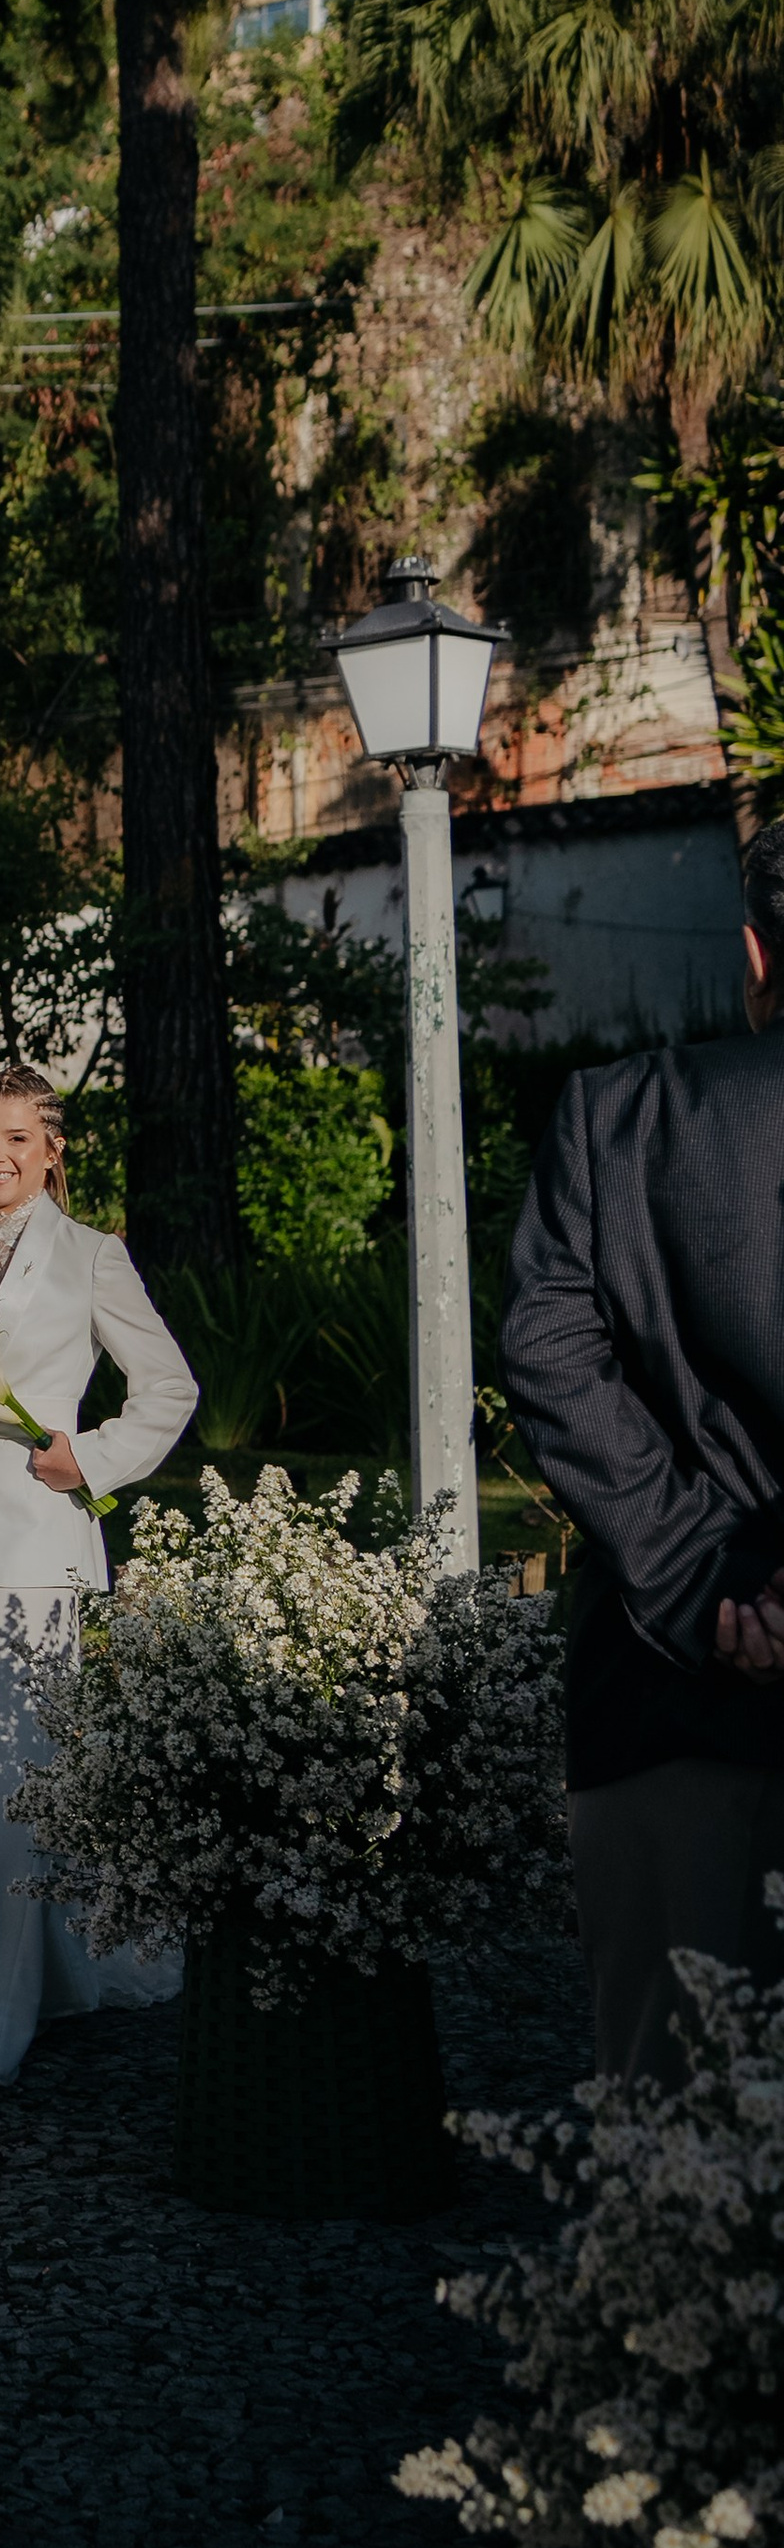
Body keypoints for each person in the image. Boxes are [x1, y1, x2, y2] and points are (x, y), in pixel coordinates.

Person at [503, 817, 784, 2086]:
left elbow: (552, 1362)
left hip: (671, 1695)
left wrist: (700, 1579)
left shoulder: (617, 1117)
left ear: (751, 952)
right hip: (689, 1681)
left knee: (675, 2124)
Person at [0, 1064, 200, 2104]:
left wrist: (92, 1457)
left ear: (52, 1148)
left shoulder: (90, 1257)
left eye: (17, 1138)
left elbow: (169, 1386)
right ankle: (62, 1968)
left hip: (30, 1535)